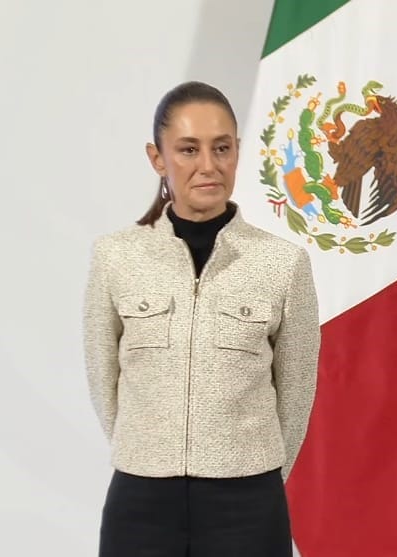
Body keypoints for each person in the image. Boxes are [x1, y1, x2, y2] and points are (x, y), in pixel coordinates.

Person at [83, 81, 320, 557]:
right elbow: (103, 377)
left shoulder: (282, 263)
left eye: (222, 148)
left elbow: (296, 393)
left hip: (248, 505)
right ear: (158, 158)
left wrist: (249, 467)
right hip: (141, 501)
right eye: (188, 149)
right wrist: (148, 450)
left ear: (238, 152)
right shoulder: (115, 257)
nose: (208, 165)